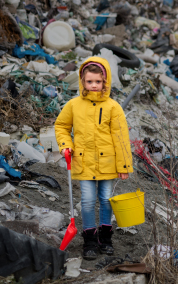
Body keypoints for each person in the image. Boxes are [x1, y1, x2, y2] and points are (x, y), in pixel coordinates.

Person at [55, 57, 133, 259]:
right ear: (83, 81)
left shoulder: (113, 107)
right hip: (84, 162)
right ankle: (89, 240)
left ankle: (105, 239)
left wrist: (123, 165)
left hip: (107, 163)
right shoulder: (74, 105)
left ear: (105, 82)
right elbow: (62, 126)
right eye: (89, 82)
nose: (94, 85)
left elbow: (121, 138)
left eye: (98, 82)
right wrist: (66, 146)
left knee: (106, 200)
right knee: (88, 201)